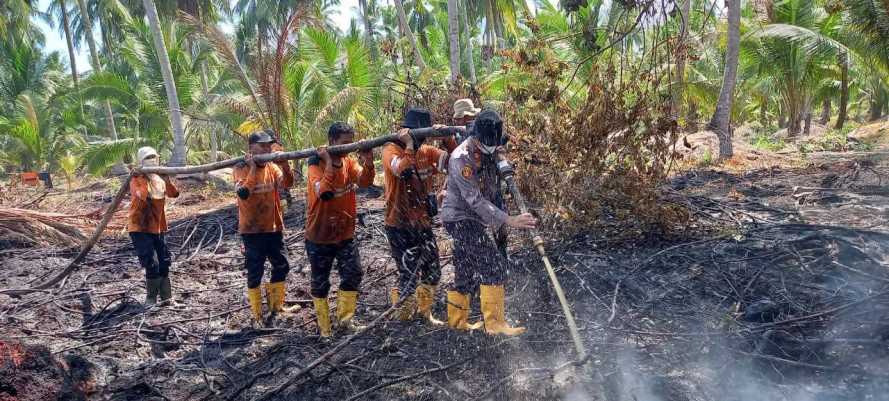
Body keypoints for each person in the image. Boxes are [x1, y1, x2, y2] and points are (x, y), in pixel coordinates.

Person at [441, 110, 537, 336]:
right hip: (459, 217)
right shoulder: (461, 158)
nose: (491, 147)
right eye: (487, 144)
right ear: (476, 137)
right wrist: (509, 219)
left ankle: (457, 321)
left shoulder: (492, 149)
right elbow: (475, 200)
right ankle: (495, 325)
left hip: (473, 219)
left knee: (465, 269)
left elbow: (494, 186)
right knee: (492, 265)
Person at [305, 122, 375, 337]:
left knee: (353, 273)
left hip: (345, 233)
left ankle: (345, 320)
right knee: (320, 281)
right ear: (332, 141)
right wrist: (327, 162)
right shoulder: (315, 166)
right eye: (344, 143)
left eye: (351, 143)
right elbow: (324, 191)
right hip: (320, 236)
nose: (348, 147)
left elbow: (364, 181)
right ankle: (324, 327)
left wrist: (368, 159)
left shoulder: (348, 162)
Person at [382, 107, 449, 323]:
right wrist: (409, 146)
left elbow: (454, 162)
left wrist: (447, 139)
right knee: (408, 272)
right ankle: (403, 318)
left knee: (433, 269)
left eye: (424, 136)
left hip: (422, 223)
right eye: (418, 135)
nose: (422, 140)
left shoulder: (427, 152)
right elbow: (402, 170)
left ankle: (424, 313)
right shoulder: (390, 151)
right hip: (399, 224)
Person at [233, 129, 295, 327]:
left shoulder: (271, 167)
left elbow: (287, 183)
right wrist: (252, 168)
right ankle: (257, 315)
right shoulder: (240, 168)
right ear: (251, 148)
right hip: (252, 231)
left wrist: (284, 165)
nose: (267, 149)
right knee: (255, 270)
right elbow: (243, 193)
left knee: (282, 265)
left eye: (269, 146)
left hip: (273, 227)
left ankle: (276, 306)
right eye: (263, 146)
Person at [128, 146, 180, 306]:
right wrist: (143, 176)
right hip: (140, 227)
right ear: (141, 162)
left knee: (164, 261)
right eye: (148, 158)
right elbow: (142, 195)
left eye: (153, 157)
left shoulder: (160, 179)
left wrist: (166, 179)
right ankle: (150, 299)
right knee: (152, 263)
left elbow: (174, 194)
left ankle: (167, 298)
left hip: (157, 227)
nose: (152, 160)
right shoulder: (136, 179)